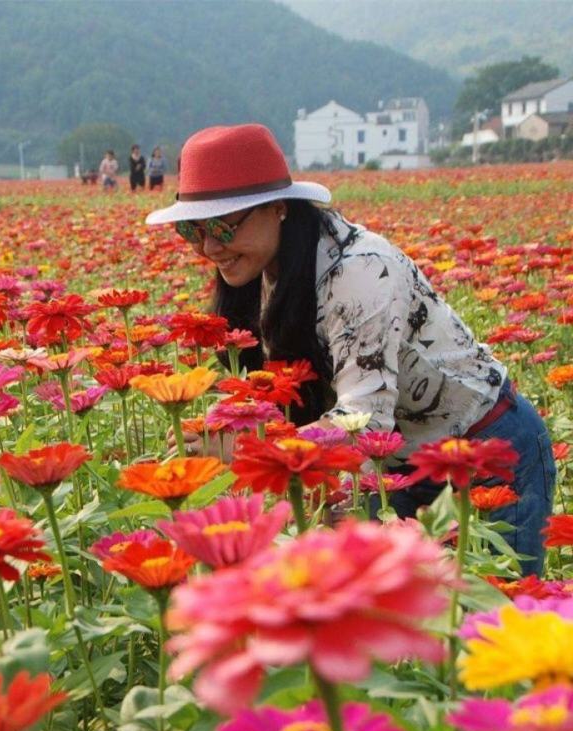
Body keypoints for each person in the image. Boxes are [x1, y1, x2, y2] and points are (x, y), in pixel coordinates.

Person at [146, 123, 555, 576]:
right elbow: (289, 394)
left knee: (495, 618)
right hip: (391, 471)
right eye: (192, 230)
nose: (208, 247)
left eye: (221, 226)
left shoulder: (360, 272)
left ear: (278, 207)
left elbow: (365, 423)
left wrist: (247, 448)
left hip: (484, 452)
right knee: (392, 631)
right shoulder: (266, 268)